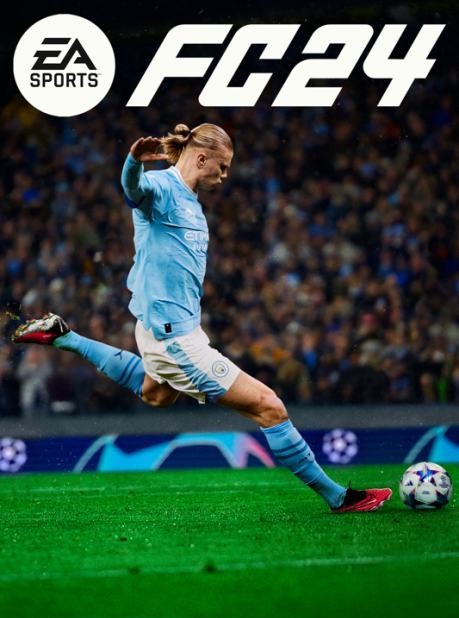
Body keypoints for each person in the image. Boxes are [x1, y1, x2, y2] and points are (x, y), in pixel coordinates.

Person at [12, 123, 391, 512]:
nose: (224, 176)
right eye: (222, 167)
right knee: (269, 406)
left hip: (169, 330)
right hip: (174, 338)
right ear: (202, 157)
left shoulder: (191, 202)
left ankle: (64, 336)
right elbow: (132, 190)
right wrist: (133, 161)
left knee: (156, 393)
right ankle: (338, 497)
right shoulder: (162, 185)